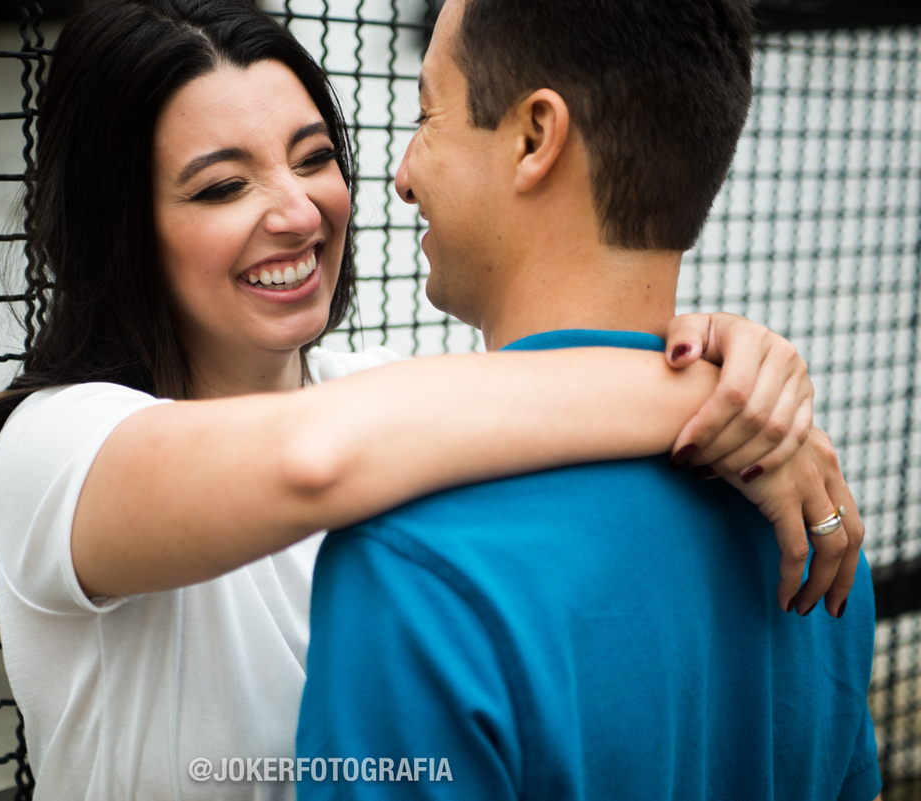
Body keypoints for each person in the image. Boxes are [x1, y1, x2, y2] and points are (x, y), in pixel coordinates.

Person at [0, 1, 861, 799]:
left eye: (313, 156)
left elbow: (521, 383)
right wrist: (699, 385)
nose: (298, 209)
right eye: (221, 186)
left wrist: (742, 368)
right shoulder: (53, 446)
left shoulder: (387, 394)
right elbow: (313, 459)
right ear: (124, 230)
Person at [297, 0, 879, 799]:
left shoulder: (413, 568)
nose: (401, 174)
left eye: (429, 113)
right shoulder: (816, 533)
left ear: (535, 137)